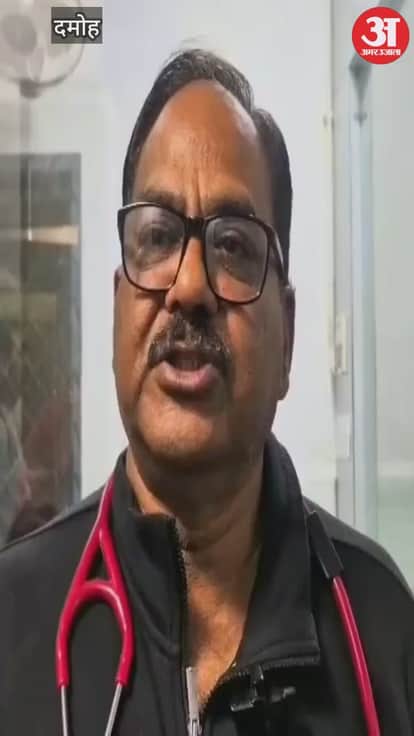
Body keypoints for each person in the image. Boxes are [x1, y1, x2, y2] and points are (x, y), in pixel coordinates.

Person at [0, 49, 413, 736]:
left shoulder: (383, 629)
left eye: (233, 246)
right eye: (157, 236)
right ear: (117, 310)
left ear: (286, 338)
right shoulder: (13, 618)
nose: (189, 287)